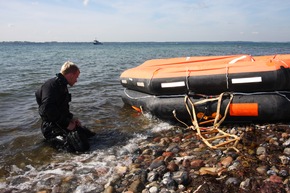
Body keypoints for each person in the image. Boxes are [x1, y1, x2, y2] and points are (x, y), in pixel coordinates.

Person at [35, 61, 95, 152]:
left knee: (89, 135)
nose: (76, 80)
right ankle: (49, 143)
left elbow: (62, 109)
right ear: (71, 75)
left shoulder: (62, 86)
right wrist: (67, 124)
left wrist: (71, 119)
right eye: (76, 77)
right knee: (77, 148)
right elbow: (46, 109)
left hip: (61, 123)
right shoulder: (51, 86)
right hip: (51, 128)